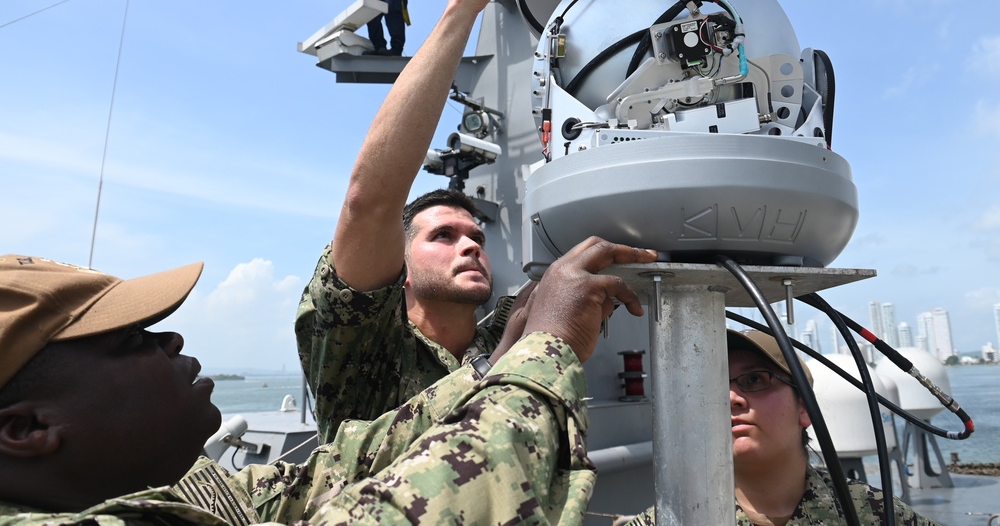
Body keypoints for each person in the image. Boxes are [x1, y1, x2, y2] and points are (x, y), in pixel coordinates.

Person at [0, 237, 658, 525]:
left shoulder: (173, 490)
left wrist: (497, 364)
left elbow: (332, 474)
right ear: (26, 429)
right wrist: (549, 349)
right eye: (130, 339)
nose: (171, 339)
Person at [296, 0, 526, 441]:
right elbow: (370, 202)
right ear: (396, 268)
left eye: (474, 235)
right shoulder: (363, 360)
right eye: (442, 236)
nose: (471, 244)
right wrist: (464, 4)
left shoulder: (502, 341)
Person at [626, 329, 939, 525]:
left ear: (804, 409)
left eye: (754, 380)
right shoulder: (671, 519)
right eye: (713, 386)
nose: (731, 398)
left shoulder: (873, 513)